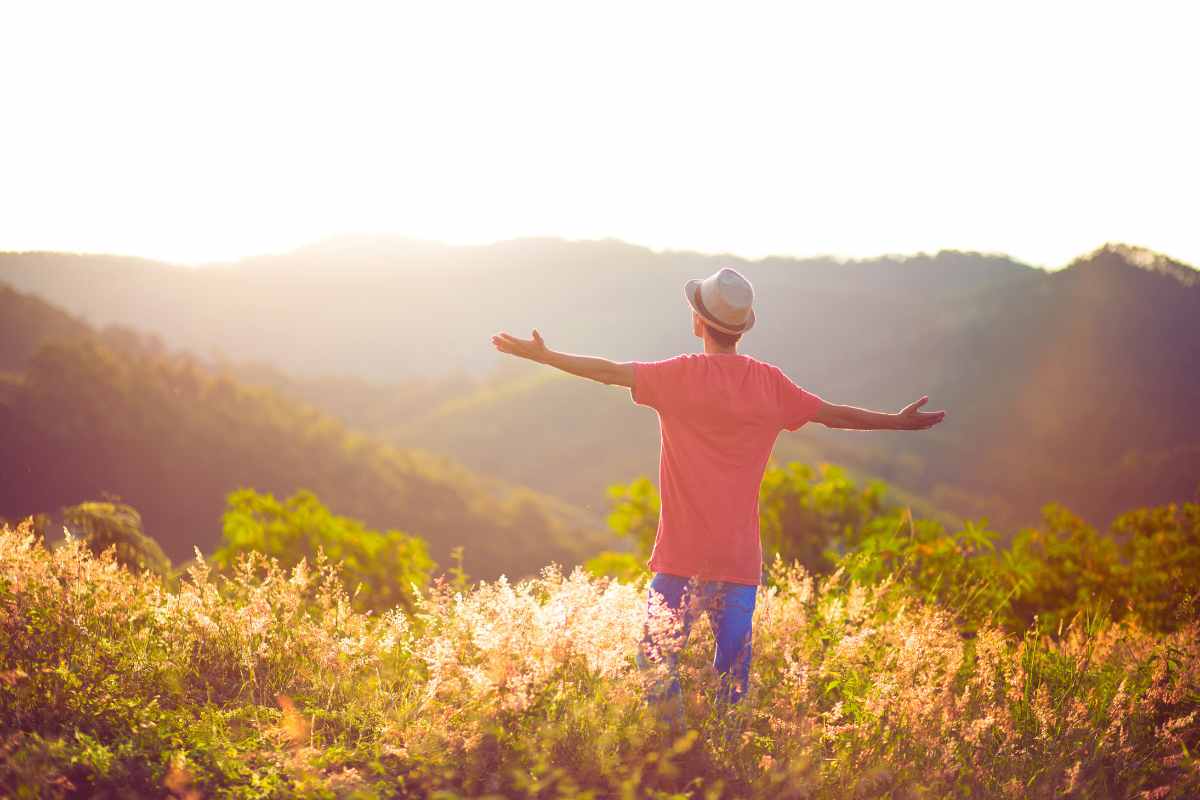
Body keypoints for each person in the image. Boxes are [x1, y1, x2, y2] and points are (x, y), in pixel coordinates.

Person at [490, 266, 946, 737]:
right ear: (740, 328)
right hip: (738, 562)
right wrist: (897, 422)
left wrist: (545, 357)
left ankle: (677, 751)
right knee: (732, 682)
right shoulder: (771, 385)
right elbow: (835, 416)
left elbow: (607, 372)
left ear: (698, 321)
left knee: (655, 659)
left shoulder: (680, 375)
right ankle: (726, 764)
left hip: (681, 558)